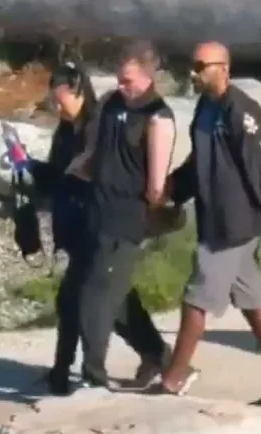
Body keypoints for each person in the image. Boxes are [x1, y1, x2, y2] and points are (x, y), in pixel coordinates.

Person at [151, 41, 261, 413]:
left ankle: (173, 380)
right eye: (193, 65)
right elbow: (199, 163)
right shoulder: (206, 109)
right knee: (254, 304)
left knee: (197, 297)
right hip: (215, 218)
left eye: (201, 65)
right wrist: (172, 189)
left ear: (224, 68)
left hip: (233, 224)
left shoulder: (243, 113)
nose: (194, 72)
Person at [31, 59, 171, 395]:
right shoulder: (67, 130)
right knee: (102, 301)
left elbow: (96, 175)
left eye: (60, 99)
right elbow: (59, 176)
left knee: (88, 301)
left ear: (78, 92)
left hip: (101, 225)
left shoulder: (97, 125)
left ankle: (82, 373)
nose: (56, 107)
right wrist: (30, 167)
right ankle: (156, 356)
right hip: (80, 228)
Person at [65, 40, 177, 388]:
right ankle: (158, 355)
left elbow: (156, 184)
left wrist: (154, 213)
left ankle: (93, 375)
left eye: (128, 80)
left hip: (125, 218)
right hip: (96, 211)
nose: (121, 85)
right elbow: (92, 151)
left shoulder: (158, 117)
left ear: (147, 76)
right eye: (119, 78)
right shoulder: (111, 104)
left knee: (95, 294)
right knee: (115, 294)